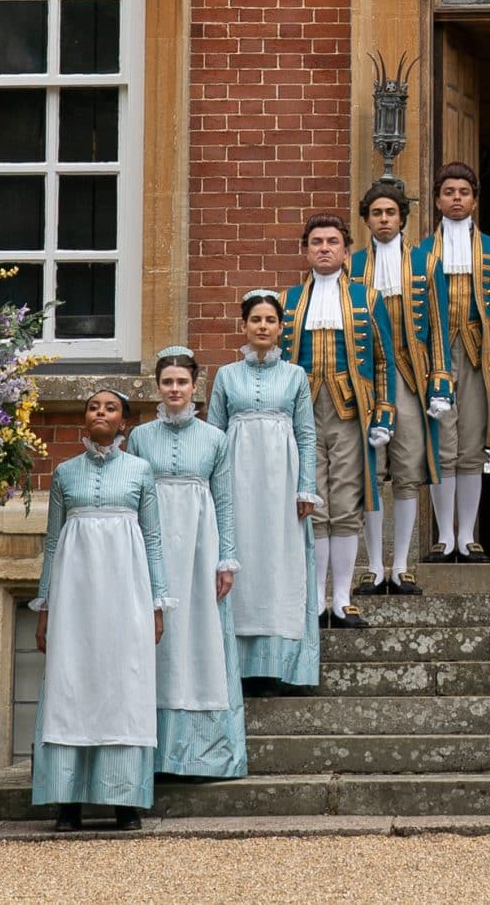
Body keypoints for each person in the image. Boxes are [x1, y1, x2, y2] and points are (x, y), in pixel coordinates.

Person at [31, 388, 170, 831]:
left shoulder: (140, 472)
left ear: (123, 422)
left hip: (126, 593)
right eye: (94, 406)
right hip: (74, 597)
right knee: (72, 682)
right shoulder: (65, 473)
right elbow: (52, 543)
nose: (101, 413)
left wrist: (157, 605)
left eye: (110, 408)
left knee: (123, 683)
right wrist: (45, 606)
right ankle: (67, 801)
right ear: (84, 417)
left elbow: (153, 539)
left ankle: (125, 802)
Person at [126, 346, 247, 779]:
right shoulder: (140, 438)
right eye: (167, 382)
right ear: (157, 387)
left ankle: (203, 753)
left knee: (199, 637)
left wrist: (226, 558)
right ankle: (153, 751)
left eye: (182, 382)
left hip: (200, 547)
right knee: (158, 638)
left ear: (195, 387)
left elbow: (226, 500)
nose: (174, 389)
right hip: (153, 545)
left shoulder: (215, 438)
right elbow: (134, 496)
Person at [280, 214, 396, 628]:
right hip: (304, 414)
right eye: (316, 242)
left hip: (351, 411)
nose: (324, 248)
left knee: (346, 502)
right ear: (305, 250)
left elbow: (384, 362)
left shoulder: (369, 299)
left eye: (332, 241)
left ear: (347, 251)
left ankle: (342, 596)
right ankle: (314, 599)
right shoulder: (287, 301)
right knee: (312, 503)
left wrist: (384, 412)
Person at [207, 288, 320, 689]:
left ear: (280, 328)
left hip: (282, 482)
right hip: (237, 479)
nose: (262, 326)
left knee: (279, 563)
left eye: (270, 320)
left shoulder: (295, 376)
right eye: (256, 319)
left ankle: (285, 667)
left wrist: (306, 487)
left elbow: (306, 435)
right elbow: (215, 434)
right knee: (243, 558)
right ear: (245, 325)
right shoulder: (226, 376)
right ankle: (237, 667)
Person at [349, 181, 452, 595]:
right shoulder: (352, 266)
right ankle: (373, 566)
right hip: (366, 380)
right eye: (377, 214)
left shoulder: (426, 264)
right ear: (367, 220)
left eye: (391, 213)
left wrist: (441, 382)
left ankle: (403, 563)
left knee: (408, 471)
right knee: (371, 472)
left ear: (402, 218)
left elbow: (439, 326)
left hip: (411, 377)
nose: (384, 220)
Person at [418, 161, 490, 562]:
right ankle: (445, 536)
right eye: (449, 193)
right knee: (443, 445)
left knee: (472, 446)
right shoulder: (421, 253)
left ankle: (468, 536)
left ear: (475, 200)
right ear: (437, 200)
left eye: (463, 192)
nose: (456, 199)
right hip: (435, 361)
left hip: (479, 356)